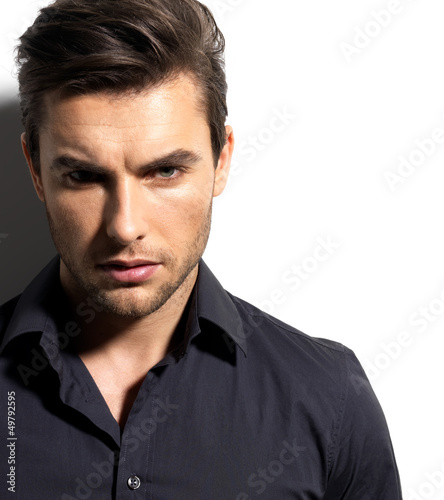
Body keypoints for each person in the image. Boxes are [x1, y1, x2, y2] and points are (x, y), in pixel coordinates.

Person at [0, 0, 402, 498]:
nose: (125, 227)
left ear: (222, 159)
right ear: (36, 170)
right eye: (84, 176)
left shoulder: (329, 397)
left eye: (165, 171)